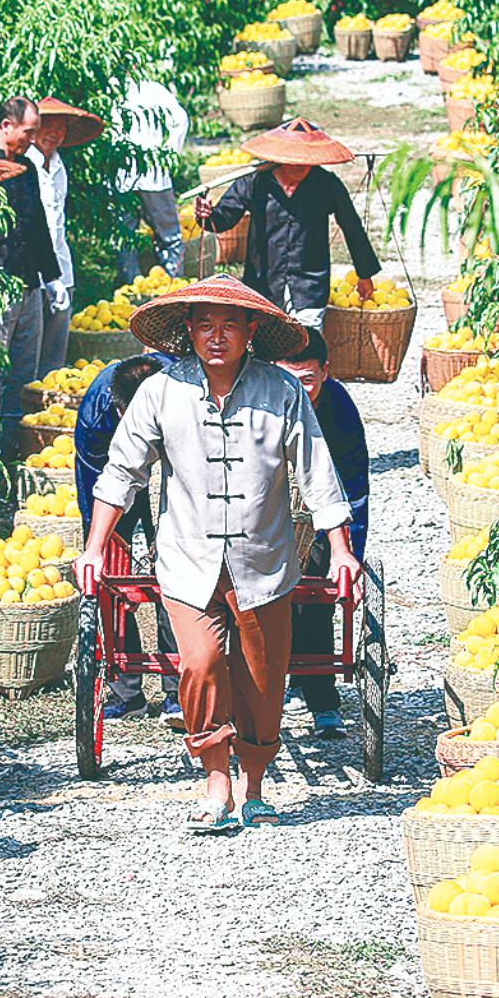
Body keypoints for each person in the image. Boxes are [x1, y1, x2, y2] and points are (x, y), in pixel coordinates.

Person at [78, 275, 363, 833]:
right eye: (205, 324)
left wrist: (341, 552)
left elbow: (317, 471)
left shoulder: (279, 392)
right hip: (188, 559)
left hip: (263, 561)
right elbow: (122, 472)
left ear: (251, 331)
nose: (217, 336)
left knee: (261, 679)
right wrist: (94, 547)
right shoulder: (162, 391)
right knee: (202, 665)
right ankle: (215, 778)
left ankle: (254, 784)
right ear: (188, 330)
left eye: (230, 325)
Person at [72, 352, 183, 727]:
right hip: (111, 468)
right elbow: (96, 491)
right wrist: (97, 547)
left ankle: (179, 690)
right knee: (109, 570)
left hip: (181, 462)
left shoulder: (183, 390)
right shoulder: (96, 416)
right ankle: (126, 692)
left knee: (179, 562)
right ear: (121, 414)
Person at [196, 118, 379, 331]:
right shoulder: (254, 181)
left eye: (305, 160)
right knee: (263, 351)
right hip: (262, 284)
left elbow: (352, 227)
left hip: (309, 285)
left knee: (306, 350)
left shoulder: (327, 184)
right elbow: (224, 216)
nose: (299, 166)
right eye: (293, 159)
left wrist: (364, 274)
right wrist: (206, 215)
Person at [276, 330, 368, 739]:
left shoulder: (339, 410)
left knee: (316, 592)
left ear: (326, 372)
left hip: (314, 517)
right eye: (289, 379)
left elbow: (354, 486)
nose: (299, 390)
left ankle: (322, 700)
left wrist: (349, 555)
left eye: (308, 380)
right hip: (262, 516)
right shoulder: (262, 399)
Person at [0, 97, 63, 452]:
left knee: (24, 370)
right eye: (28, 131)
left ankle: (15, 443)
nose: (32, 138)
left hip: (30, 282)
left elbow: (38, 223)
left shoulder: (26, 165)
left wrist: (51, 275)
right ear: (5, 126)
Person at [27, 98, 103, 378]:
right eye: (49, 125)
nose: (55, 133)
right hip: (32, 271)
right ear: (34, 128)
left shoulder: (59, 167)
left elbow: (57, 221)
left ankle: (47, 405)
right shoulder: (25, 164)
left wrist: (58, 275)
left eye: (61, 128)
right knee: (27, 351)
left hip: (61, 266)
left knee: (54, 350)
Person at [114, 78, 190, 281]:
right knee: (169, 234)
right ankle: (173, 282)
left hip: (121, 176)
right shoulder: (154, 90)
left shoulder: (108, 92)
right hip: (153, 174)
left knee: (125, 235)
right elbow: (180, 120)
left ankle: (130, 284)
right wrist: (170, 156)